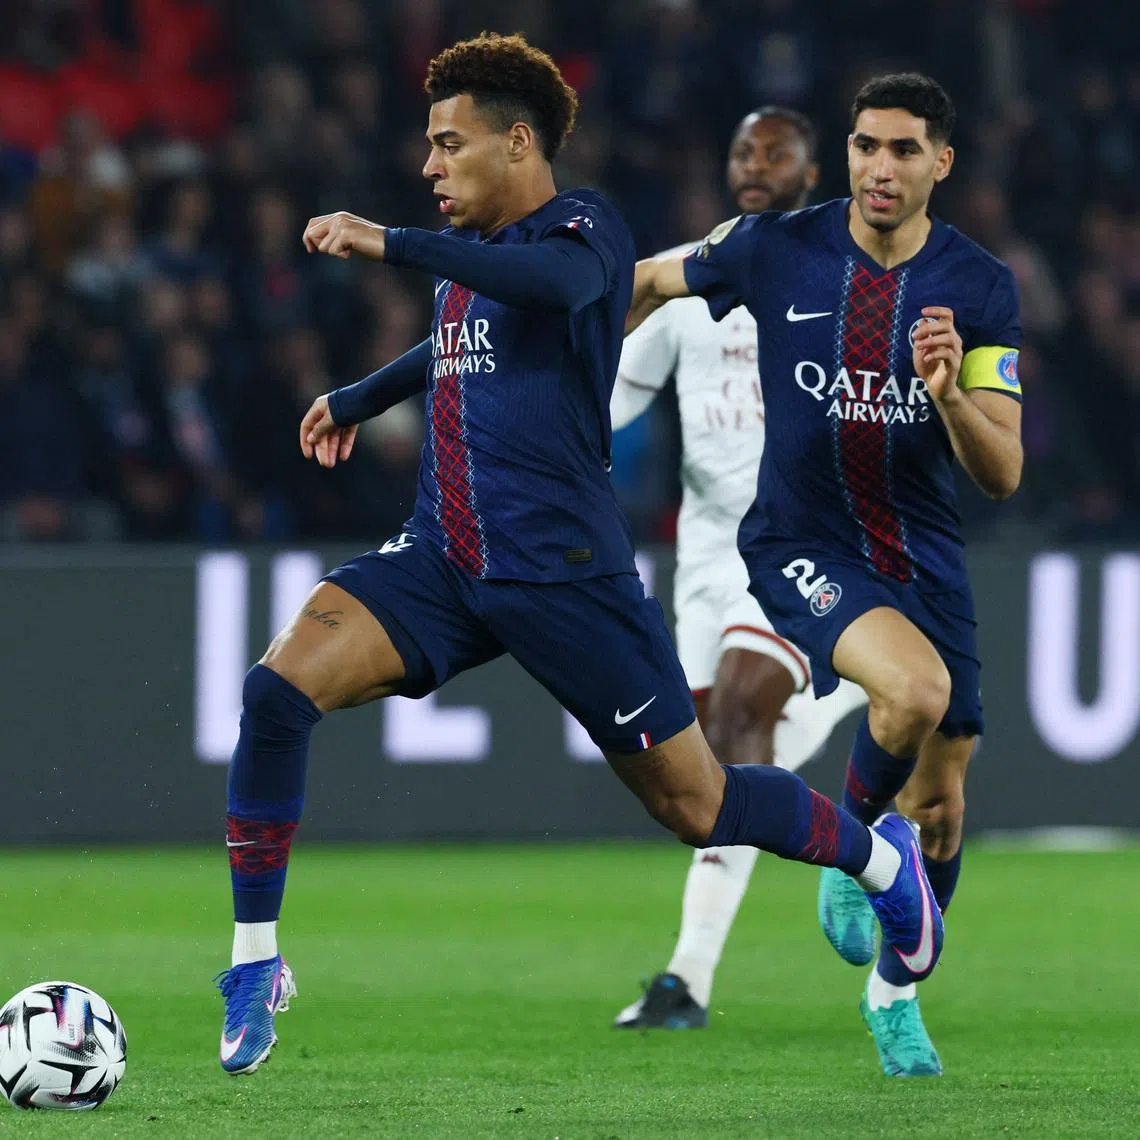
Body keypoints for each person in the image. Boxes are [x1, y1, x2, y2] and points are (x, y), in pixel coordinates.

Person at [213, 36, 941, 1076]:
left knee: (701, 804)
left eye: (447, 144)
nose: (430, 167)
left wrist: (392, 241)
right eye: (427, 148)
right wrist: (362, 395)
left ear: (519, 142)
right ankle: (253, 964)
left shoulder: (586, 230)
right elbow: (458, 337)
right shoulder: (476, 254)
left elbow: (551, 290)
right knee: (276, 690)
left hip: (566, 576)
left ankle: (878, 860)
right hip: (442, 559)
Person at [627, 73, 1023, 1076]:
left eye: (902, 150)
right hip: (800, 539)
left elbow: (1004, 471)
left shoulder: (978, 289)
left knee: (942, 801)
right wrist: (544, 370)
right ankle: (854, 847)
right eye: (865, 146)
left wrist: (948, 396)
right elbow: (642, 282)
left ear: (941, 162)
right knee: (916, 690)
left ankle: (893, 992)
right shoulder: (774, 248)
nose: (880, 167)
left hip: (921, 546)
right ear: (844, 155)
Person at [610, 107, 868, 1030]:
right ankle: (842, 697)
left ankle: (687, 979)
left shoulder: (843, 276)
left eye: (775, 151)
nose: (754, 164)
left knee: (735, 719)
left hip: (801, 539)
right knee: (709, 767)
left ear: (810, 169)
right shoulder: (691, 276)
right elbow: (616, 399)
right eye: (741, 149)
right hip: (707, 555)